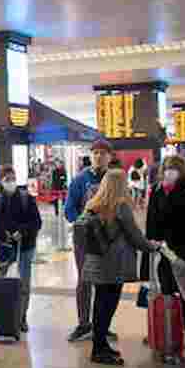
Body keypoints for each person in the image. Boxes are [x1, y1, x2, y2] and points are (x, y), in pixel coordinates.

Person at [81, 169, 161, 366]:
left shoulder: (93, 204)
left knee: (100, 304)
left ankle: (100, 345)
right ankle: (99, 350)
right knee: (108, 305)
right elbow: (134, 235)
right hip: (114, 263)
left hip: (96, 261)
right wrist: (152, 246)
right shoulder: (120, 206)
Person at [145, 154, 185, 330]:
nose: (169, 173)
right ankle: (167, 328)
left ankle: (181, 328)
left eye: (173, 169)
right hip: (164, 249)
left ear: (181, 171)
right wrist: (149, 244)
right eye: (166, 169)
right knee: (165, 287)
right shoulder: (157, 190)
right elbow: (151, 220)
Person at [65, 140, 113, 343]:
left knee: (106, 282)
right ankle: (84, 323)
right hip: (84, 238)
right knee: (84, 280)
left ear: (109, 157)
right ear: (90, 155)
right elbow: (69, 209)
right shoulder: (79, 180)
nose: (99, 156)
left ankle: (101, 325)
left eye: (103, 153)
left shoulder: (114, 179)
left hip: (108, 237)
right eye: (95, 153)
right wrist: (81, 221)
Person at [0, 166, 42, 333]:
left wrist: (22, 231)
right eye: (7, 179)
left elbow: (37, 222)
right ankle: (2, 317)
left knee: (23, 284)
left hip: (25, 246)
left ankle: (21, 318)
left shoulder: (26, 198)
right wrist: (3, 234)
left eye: (12, 178)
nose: (11, 182)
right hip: (4, 249)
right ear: (1, 181)